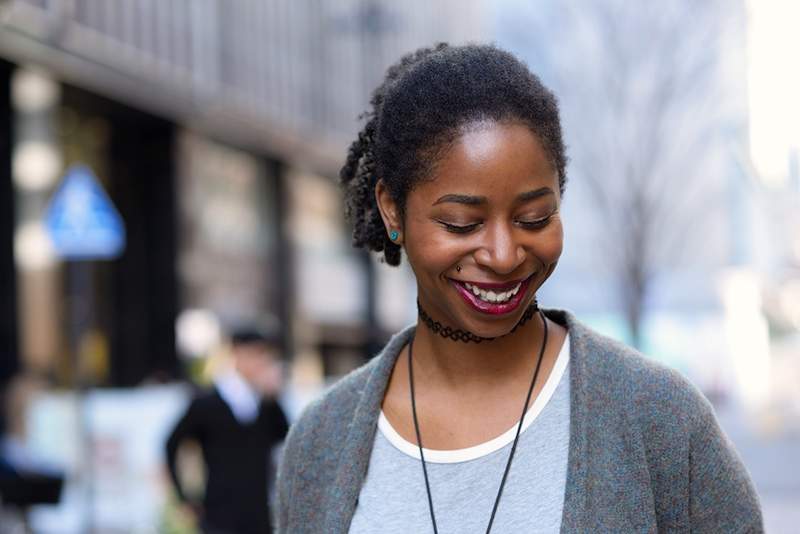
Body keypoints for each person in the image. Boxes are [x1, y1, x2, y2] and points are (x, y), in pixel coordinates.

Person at [275, 43, 764, 533]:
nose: (505, 254)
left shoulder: (659, 418)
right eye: (462, 223)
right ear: (392, 210)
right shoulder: (321, 442)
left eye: (535, 217)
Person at [166, 327, 289, 534]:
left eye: (263, 355)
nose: (260, 363)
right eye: (254, 354)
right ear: (236, 353)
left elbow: (286, 437)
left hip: (259, 516)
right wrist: (184, 498)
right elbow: (172, 444)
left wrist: (275, 397)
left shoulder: (266, 404)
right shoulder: (206, 403)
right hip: (219, 517)